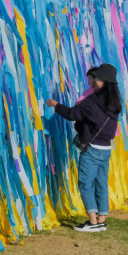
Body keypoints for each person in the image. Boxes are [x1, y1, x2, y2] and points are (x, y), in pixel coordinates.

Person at [47, 63, 123, 233]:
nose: (94, 80)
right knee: (101, 183)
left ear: (103, 82)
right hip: (106, 149)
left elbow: (72, 114)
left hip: (92, 149)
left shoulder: (92, 103)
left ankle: (93, 221)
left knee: (85, 183)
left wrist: (55, 104)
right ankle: (101, 219)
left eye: (97, 78)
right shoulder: (115, 103)